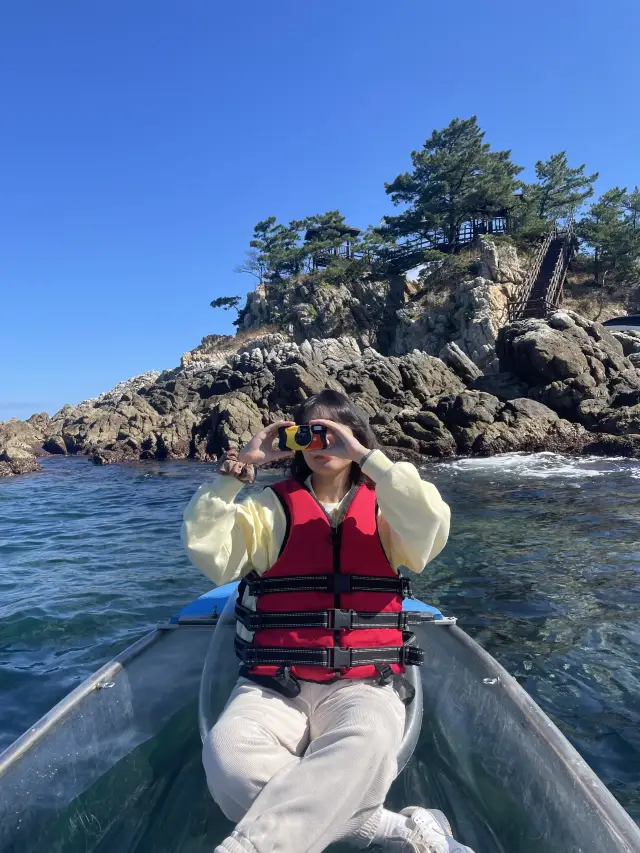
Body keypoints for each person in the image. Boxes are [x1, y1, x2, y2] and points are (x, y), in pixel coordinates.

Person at [182, 389, 474, 853]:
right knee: (228, 758)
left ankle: (250, 848)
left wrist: (370, 460)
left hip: (364, 681)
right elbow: (214, 557)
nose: (320, 445)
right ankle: (398, 827)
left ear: (355, 437)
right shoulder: (268, 508)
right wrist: (232, 478)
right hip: (275, 683)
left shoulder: (386, 505)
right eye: (309, 434)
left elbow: (430, 527)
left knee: (368, 743)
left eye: (332, 433)